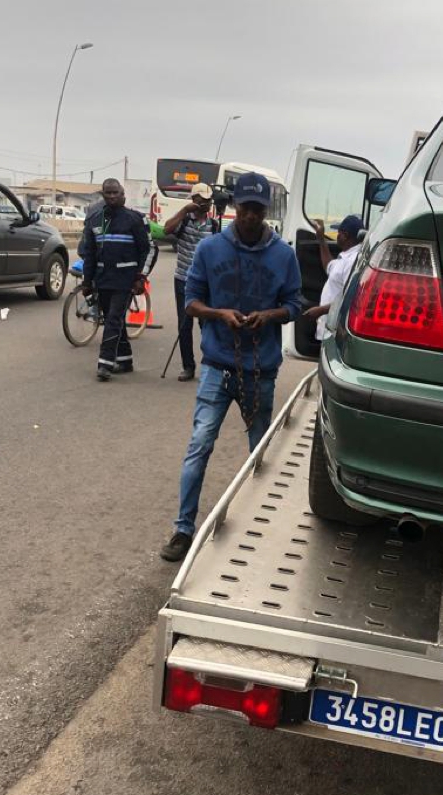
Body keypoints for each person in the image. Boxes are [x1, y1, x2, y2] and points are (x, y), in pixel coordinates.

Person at [161, 172, 302, 562]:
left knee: (260, 453)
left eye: (257, 210)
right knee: (199, 444)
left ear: (265, 211)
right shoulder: (210, 249)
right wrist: (218, 313)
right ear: (234, 209)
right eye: (244, 209)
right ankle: (183, 528)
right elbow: (191, 301)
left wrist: (269, 315)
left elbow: (294, 306)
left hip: (260, 371)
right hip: (217, 366)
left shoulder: (284, 255)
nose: (250, 217)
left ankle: (260, 526)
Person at [79, 179, 151, 381]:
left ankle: (105, 363)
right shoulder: (94, 220)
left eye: (115, 193)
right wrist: (87, 282)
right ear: (102, 195)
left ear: (122, 194)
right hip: (103, 280)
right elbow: (90, 254)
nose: (111, 197)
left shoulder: (134, 219)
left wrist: (140, 277)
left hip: (125, 281)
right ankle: (125, 360)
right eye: (107, 193)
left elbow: (148, 249)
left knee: (112, 319)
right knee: (115, 319)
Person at [162, 183, 220, 382]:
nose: (205, 205)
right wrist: (184, 210)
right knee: (184, 325)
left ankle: (209, 364)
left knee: (207, 325)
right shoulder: (184, 221)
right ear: (193, 201)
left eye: (208, 201)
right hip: (183, 280)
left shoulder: (213, 225)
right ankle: (188, 366)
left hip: (205, 284)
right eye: (200, 201)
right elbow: (166, 229)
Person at [303, 214, 364, 340]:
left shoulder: (353, 260)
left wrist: (320, 310)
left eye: (339, 232)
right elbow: (329, 266)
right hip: (329, 328)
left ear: (345, 235)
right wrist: (321, 239)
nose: (337, 236)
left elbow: (350, 299)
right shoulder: (346, 257)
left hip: (335, 332)